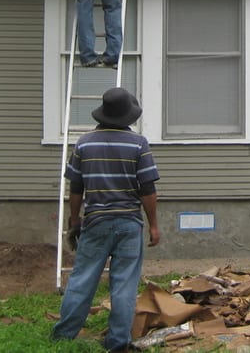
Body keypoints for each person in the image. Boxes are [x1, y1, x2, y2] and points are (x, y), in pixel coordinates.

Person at [51, 87, 160, 352]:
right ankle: (118, 343)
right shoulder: (138, 144)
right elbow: (147, 189)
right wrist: (154, 225)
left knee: (82, 279)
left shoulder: (84, 143)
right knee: (124, 284)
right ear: (128, 116)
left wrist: (74, 219)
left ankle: (64, 337)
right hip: (129, 224)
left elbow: (76, 188)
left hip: (96, 222)